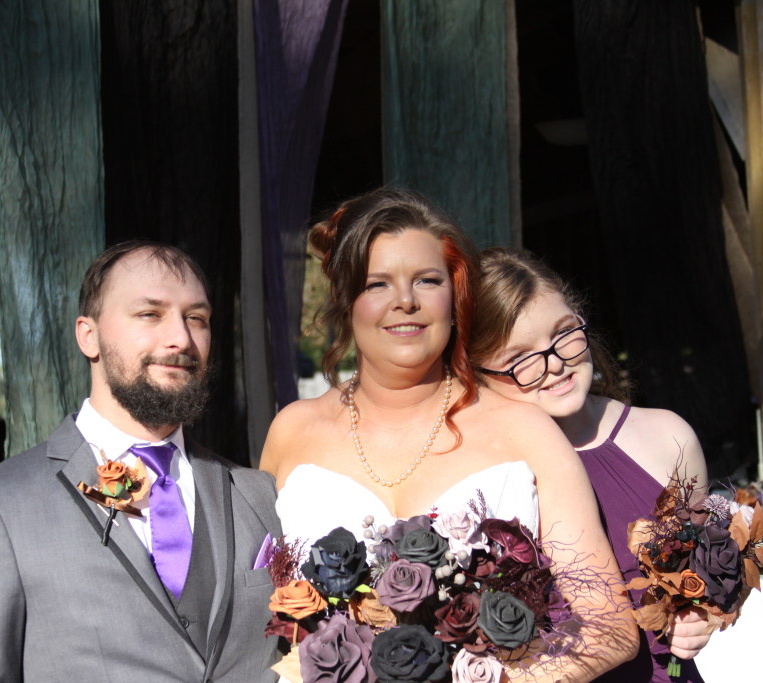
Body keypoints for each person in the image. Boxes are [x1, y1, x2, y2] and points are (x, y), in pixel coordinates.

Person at [261, 188, 639, 680]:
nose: (405, 301)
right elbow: (255, 616)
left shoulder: (524, 431)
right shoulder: (292, 430)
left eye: (427, 280)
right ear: (346, 298)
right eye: (377, 284)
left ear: (455, 296)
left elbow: (609, 628)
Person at [0, 241, 280, 682]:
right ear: (88, 336)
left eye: (197, 318)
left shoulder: (256, 495)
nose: (181, 338)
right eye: (150, 314)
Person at [470, 247, 712, 683]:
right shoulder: (482, 477)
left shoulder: (667, 438)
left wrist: (704, 612)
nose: (555, 364)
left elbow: (707, 572)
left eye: (564, 334)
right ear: (478, 374)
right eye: (519, 359)